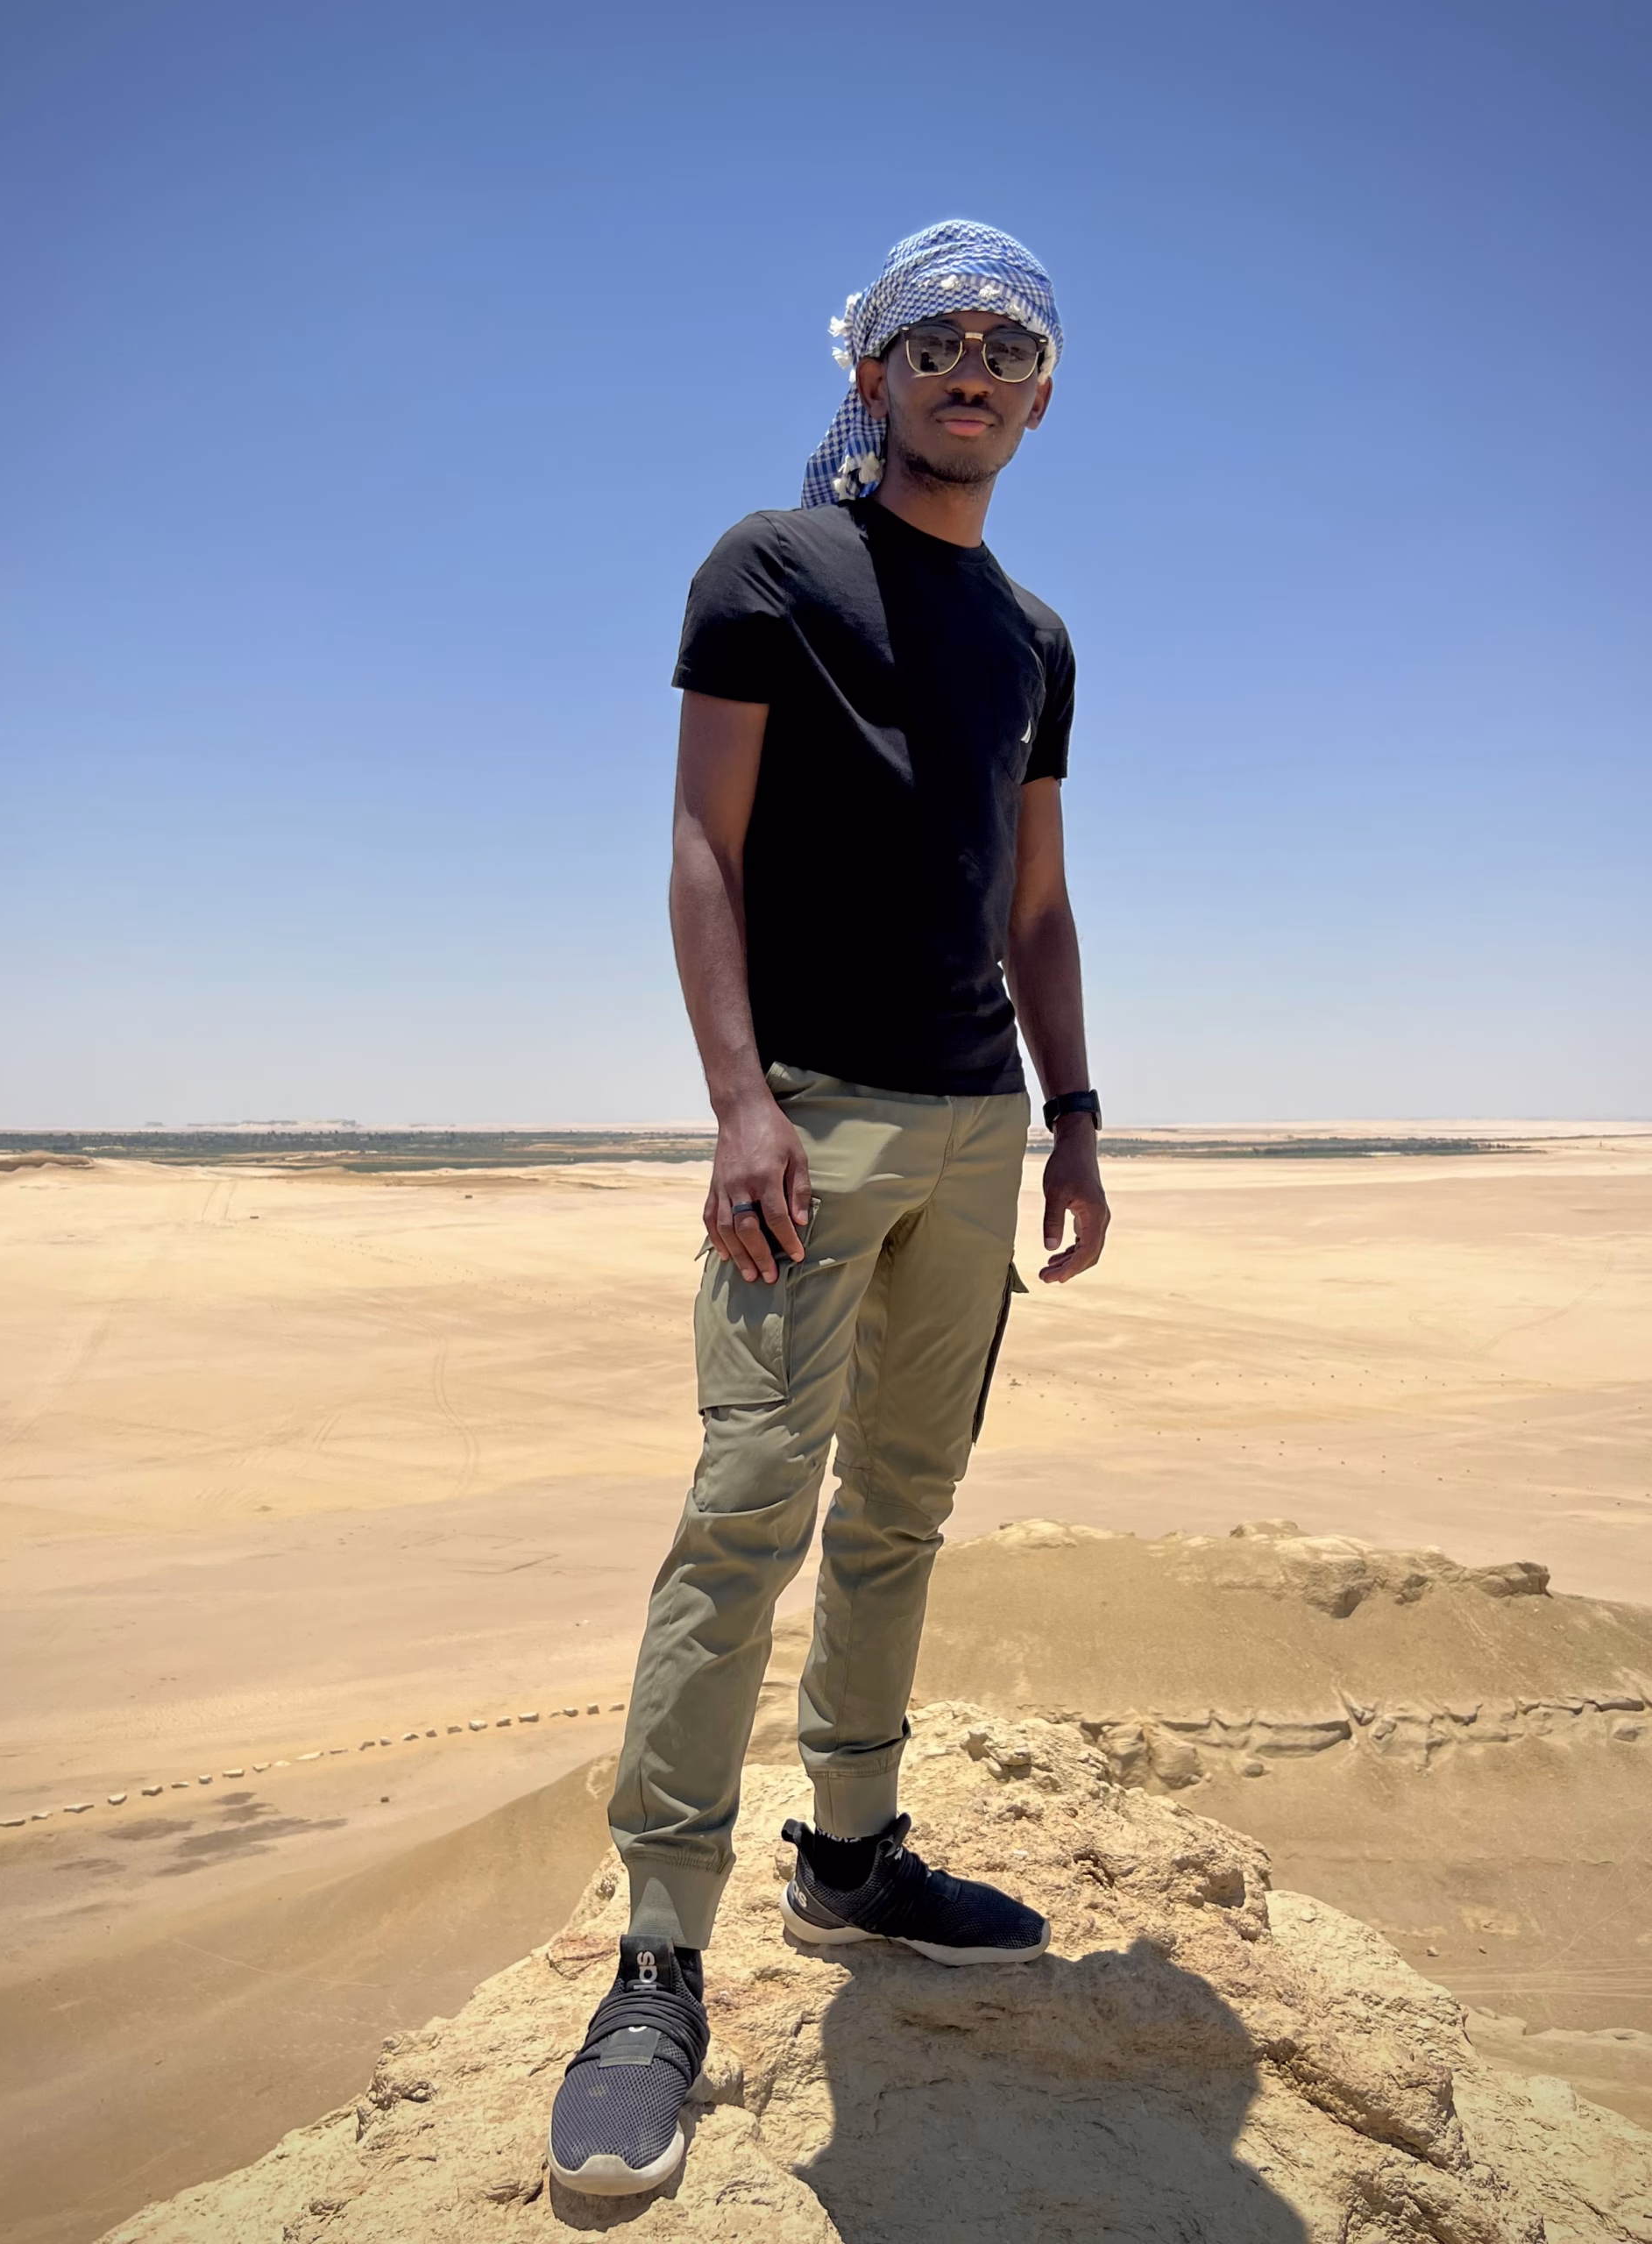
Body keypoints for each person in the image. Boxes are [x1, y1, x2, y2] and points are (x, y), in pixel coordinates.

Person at [548, 219, 1110, 2198]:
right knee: (742, 1522)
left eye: (1010, 349)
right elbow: (703, 844)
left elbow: (1037, 903)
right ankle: (656, 1957)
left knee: (903, 1511)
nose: (973, 369)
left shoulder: (1035, 637)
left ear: (1040, 403)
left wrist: (1074, 1117)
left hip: (974, 1130)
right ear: (869, 372)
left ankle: (852, 1855)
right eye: (936, 338)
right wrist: (738, 1101)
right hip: (812, 1122)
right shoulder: (771, 568)